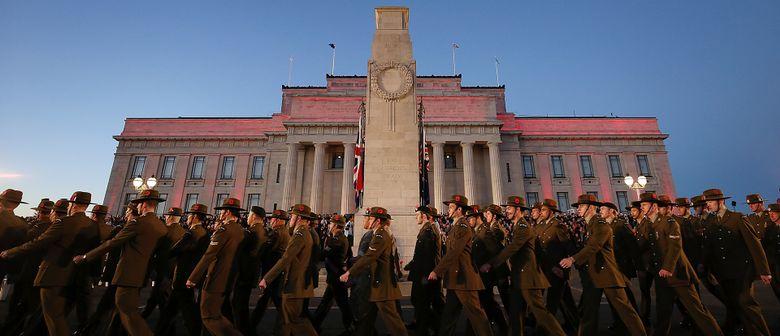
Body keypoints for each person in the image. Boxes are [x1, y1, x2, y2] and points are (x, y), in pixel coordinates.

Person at [1, 191, 99, 336]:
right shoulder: (92, 225)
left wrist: (10, 252)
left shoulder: (64, 223)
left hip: (52, 276)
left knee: (54, 319)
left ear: (72, 205)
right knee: (52, 317)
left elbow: (38, 243)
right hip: (73, 278)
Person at [75, 189, 169, 336]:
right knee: (124, 312)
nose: (137, 207)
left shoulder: (138, 223)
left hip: (127, 274)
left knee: (127, 312)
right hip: (142, 275)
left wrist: (86, 257)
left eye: (138, 204)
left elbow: (112, 243)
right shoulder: (161, 225)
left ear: (143, 204)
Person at [636, 193, 722, 336]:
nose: (641, 207)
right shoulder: (650, 225)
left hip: (678, 275)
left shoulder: (669, 222)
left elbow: (674, 246)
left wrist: (667, 267)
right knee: (663, 314)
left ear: (654, 206)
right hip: (662, 277)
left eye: (644, 205)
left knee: (697, 311)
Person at [559, 194, 646, 336]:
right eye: (578, 206)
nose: (578, 209)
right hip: (594, 275)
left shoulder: (600, 224)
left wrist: (573, 259)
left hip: (607, 275)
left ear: (591, 208)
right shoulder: (590, 224)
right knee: (588, 313)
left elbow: (594, 246)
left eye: (581, 206)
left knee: (626, 312)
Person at [482, 196, 565, 336]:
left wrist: (491, 263)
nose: (506, 211)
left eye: (509, 208)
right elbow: (538, 251)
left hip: (528, 278)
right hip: (518, 278)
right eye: (506, 208)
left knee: (541, 315)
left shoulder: (523, 227)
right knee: (515, 316)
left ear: (518, 209)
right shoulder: (516, 226)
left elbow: (512, 248)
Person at [700, 188, 772, 336]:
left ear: (721, 201)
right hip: (723, 273)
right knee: (735, 305)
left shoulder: (737, 218)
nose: (708, 205)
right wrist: (705, 267)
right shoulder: (711, 221)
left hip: (742, 271)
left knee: (747, 304)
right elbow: (709, 248)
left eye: (711, 201)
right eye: (707, 202)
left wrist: (764, 271)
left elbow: (754, 245)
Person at [340, 207, 408, 335]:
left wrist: (349, 272)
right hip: (377, 283)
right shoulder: (379, 234)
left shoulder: (379, 235)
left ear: (377, 221)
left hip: (381, 285)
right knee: (368, 317)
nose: (368, 220)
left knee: (393, 321)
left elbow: (369, 257)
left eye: (371, 218)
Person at [431, 195, 492, 336]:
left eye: (451, 207)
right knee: (449, 316)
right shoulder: (456, 226)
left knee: (477, 316)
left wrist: (437, 271)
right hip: (456, 278)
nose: (448, 210)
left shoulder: (463, 226)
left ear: (459, 209)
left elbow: (454, 252)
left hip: (464, 279)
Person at [186, 197, 246, 336]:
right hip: (229, 277)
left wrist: (193, 278)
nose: (220, 214)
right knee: (217, 314)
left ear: (227, 213)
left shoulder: (224, 230)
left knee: (209, 316)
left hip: (216, 278)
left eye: (222, 211)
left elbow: (209, 255)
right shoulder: (240, 230)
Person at [258, 204, 317, 335]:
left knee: (295, 321)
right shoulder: (301, 233)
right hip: (294, 283)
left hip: (295, 284)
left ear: (299, 218)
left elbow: (286, 258)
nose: (290, 219)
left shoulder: (300, 235)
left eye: (292, 216)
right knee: (287, 321)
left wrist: (267, 278)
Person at [154, 203, 210, 336]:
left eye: (190, 215)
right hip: (190, 277)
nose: (188, 217)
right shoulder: (204, 232)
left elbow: (175, 250)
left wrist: (159, 256)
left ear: (195, 216)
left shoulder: (192, 233)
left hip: (183, 278)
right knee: (171, 311)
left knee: (188, 313)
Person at [534, 199, 579, 331]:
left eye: (544, 210)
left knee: (552, 304)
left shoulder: (558, 226)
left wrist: (564, 269)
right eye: (541, 210)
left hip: (557, 271)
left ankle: (544, 330)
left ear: (551, 211)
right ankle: (575, 325)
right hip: (546, 268)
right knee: (566, 301)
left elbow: (569, 248)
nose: (541, 212)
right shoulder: (540, 225)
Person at [405, 205, 444, 336]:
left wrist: (426, 275)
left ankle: (432, 327)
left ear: (426, 216)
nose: (416, 217)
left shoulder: (428, 231)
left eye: (418, 214)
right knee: (423, 302)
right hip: (422, 272)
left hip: (424, 273)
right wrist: (411, 264)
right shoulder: (427, 229)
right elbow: (421, 253)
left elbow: (428, 255)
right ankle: (426, 327)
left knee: (420, 301)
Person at [250, 209, 291, 331]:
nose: (270, 221)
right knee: (265, 302)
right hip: (275, 273)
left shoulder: (277, 233)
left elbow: (266, 251)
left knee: (278, 303)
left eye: (272, 219)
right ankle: (251, 327)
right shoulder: (284, 232)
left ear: (278, 220)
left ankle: (290, 328)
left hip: (272, 273)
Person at [314, 214, 354, 332]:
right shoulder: (342, 238)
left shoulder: (336, 240)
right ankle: (315, 324)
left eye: (331, 223)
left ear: (336, 225)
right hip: (336, 276)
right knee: (326, 302)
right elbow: (350, 255)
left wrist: (316, 246)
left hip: (336, 277)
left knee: (343, 304)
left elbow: (323, 255)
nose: (329, 225)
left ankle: (352, 327)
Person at [232, 206, 268, 336]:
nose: (247, 218)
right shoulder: (263, 231)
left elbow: (239, 251)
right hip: (251, 273)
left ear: (254, 216)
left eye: (249, 215)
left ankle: (243, 332)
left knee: (239, 305)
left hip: (244, 273)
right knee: (241, 305)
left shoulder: (251, 232)